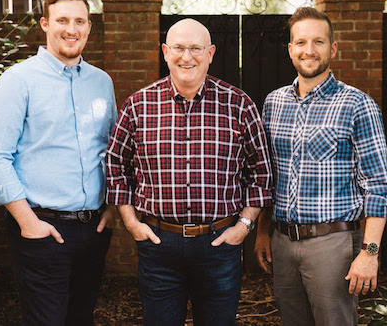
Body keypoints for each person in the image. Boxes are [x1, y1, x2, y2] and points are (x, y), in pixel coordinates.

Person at [106, 18, 273, 326]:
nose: (187, 57)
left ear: (210, 53)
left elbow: (261, 173)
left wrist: (244, 226)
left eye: (195, 48)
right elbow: (116, 166)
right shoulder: (138, 106)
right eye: (179, 48)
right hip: (159, 244)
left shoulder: (239, 106)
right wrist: (131, 223)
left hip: (220, 244)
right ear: (165, 52)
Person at [0, 0, 116, 326]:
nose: (72, 29)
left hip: (94, 228)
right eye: (63, 20)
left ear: (89, 27)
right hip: (42, 228)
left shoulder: (102, 82)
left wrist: (113, 207)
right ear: (45, 24)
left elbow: (111, 150)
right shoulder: (17, 81)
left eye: (80, 21)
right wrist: (28, 222)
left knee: (81, 318)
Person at [254, 7, 387, 326]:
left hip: (333, 245)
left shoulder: (357, 105)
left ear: (333, 48)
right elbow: (269, 174)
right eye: (301, 42)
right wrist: (263, 232)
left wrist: (370, 252)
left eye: (318, 42)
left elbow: (379, 186)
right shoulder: (273, 103)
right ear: (290, 49)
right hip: (282, 242)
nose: (309, 50)